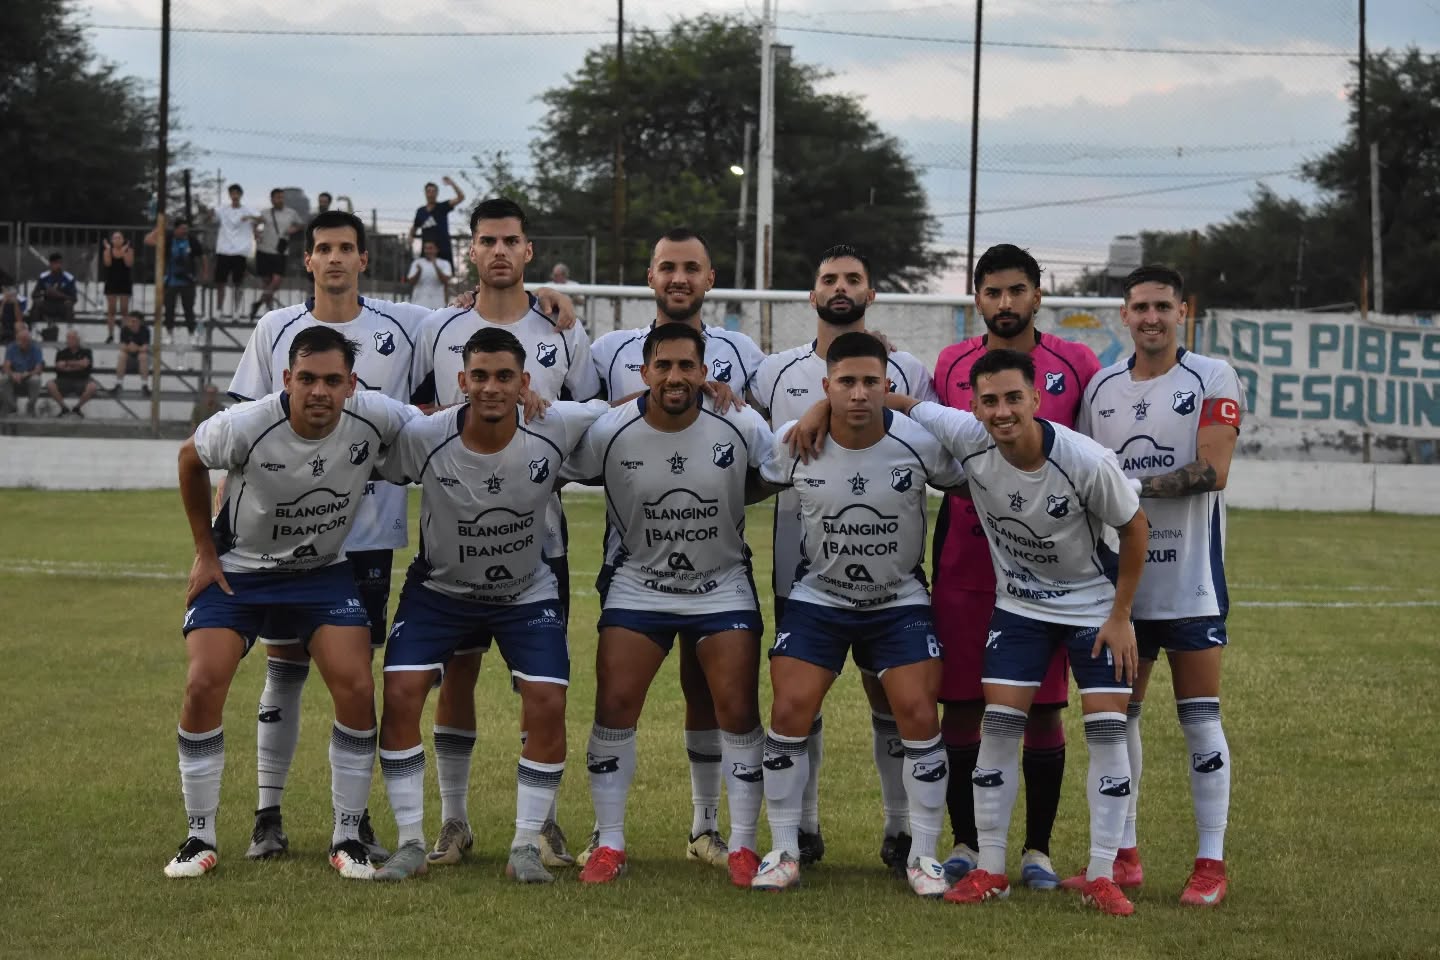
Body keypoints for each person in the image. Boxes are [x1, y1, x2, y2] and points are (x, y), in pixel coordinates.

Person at [791, 348, 1147, 914]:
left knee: (1105, 731)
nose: (1001, 412)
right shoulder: (964, 432)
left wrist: (1122, 615)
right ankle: (990, 869)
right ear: (973, 406)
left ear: (1035, 399)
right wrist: (816, 409)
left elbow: (1134, 527)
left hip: (1092, 609)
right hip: (1021, 608)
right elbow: (891, 399)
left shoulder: (1085, 460)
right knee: (999, 730)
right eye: (989, 401)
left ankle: (1103, 872)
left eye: (1013, 398)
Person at [166, 324, 421, 880]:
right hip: (240, 574)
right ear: (286, 379)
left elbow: (441, 428)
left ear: (352, 384)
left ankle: (347, 835)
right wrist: (205, 550)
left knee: (356, 684)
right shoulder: (247, 424)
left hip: (321, 575)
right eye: (307, 379)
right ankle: (199, 836)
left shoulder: (376, 416)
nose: (320, 392)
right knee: (202, 682)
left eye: (333, 380)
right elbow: (189, 457)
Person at [228, 209, 436, 865]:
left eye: (347, 248)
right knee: (284, 666)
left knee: (354, 679)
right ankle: (268, 813)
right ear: (308, 260)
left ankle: (354, 816)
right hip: (281, 537)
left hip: (368, 533)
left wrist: (551, 298)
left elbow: (476, 321)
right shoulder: (274, 329)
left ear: (364, 259)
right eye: (324, 249)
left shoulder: (406, 326)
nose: (336, 258)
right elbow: (240, 428)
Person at [370, 328, 610, 883]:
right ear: (462, 381)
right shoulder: (424, 435)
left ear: (525, 383)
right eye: (480, 376)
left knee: (547, 702)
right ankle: (411, 841)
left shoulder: (555, 425)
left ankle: (526, 845)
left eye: (505, 377)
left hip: (525, 592)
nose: (492, 387)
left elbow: (618, 411)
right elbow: (365, 444)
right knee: (402, 692)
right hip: (439, 592)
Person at [411, 197, 598, 871]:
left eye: (509, 241)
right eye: (486, 239)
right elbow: (415, 414)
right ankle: (454, 822)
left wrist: (545, 412)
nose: (497, 251)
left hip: (539, 539)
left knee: (538, 682)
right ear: (471, 251)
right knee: (455, 673)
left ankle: (542, 824)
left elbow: (588, 415)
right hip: (453, 539)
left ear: (526, 250)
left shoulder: (560, 331)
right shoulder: (438, 327)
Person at [559, 322, 776, 887]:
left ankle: (743, 845)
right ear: (644, 371)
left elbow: (780, 467)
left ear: (705, 373)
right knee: (616, 702)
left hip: (721, 581)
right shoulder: (613, 429)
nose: (676, 377)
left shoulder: (739, 422)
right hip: (640, 583)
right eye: (664, 366)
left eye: (687, 366)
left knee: (736, 708)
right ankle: (609, 843)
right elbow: (562, 459)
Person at [751, 331, 964, 896]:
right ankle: (783, 849)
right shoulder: (794, 442)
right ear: (826, 387)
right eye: (846, 382)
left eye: (872, 381)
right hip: (820, 597)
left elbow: (977, 468)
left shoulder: (921, 442)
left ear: (888, 385)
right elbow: (744, 478)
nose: (859, 393)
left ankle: (922, 854)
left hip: (898, 601)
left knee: (918, 711)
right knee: (791, 707)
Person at [928, 243, 1101, 889]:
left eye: (1017, 290)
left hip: (1053, 571)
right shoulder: (950, 363)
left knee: (1044, 709)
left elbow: (1091, 463)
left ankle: (1038, 851)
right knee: (965, 704)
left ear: (1038, 294)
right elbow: (927, 440)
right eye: (993, 292)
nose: (1005, 303)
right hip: (967, 558)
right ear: (977, 298)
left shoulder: (1076, 363)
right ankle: (969, 845)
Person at [1072, 265, 1239, 906]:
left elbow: (1213, 470)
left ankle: (1210, 863)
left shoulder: (1211, 376)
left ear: (1182, 311)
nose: (1151, 317)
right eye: (1140, 306)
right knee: (1121, 720)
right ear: (1124, 314)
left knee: (1200, 720)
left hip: (1191, 582)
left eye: (1162, 306)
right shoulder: (1102, 388)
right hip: (1125, 589)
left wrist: (1128, 487)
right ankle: (1124, 855)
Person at [146, 218, 207, 338]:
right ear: (176, 229)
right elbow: (148, 240)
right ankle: (169, 333)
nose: (185, 231)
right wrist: (160, 227)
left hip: (188, 280)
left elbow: (202, 256)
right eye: (182, 229)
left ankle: (192, 333)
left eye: (186, 229)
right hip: (170, 280)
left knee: (188, 308)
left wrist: (205, 272)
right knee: (169, 308)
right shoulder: (168, 238)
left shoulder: (191, 240)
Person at [252, 188, 305, 319]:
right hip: (264, 249)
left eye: (281, 197)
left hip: (280, 251)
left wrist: (292, 230)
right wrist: (256, 233)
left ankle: (258, 303)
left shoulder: (291, 213)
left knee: (276, 280)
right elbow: (255, 223)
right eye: (277, 197)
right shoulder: (265, 213)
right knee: (266, 281)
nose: (280, 200)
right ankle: (269, 311)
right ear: (271, 199)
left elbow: (301, 225)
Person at [213, 184, 259, 320]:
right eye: (232, 193)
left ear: (240, 195)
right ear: (229, 195)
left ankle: (236, 311)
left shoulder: (247, 210)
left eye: (237, 193)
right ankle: (219, 309)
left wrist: (251, 219)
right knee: (220, 283)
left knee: (238, 283)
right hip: (224, 250)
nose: (234, 196)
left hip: (240, 252)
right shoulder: (222, 210)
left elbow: (261, 219)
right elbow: (211, 216)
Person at [411, 176, 465, 267]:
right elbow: (415, 226)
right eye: (429, 191)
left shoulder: (442, 207)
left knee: (446, 276)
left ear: (437, 193)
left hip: (443, 248)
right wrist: (410, 236)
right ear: (425, 193)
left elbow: (461, 197)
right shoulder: (420, 211)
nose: (431, 194)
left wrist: (452, 183)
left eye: (433, 191)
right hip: (428, 250)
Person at [46, 329, 98, 417]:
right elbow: (59, 367)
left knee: (93, 387)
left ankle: (77, 408)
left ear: (78, 340)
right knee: (50, 385)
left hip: (82, 380)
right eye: (68, 338)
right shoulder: (61, 353)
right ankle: (64, 408)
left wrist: (67, 364)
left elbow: (86, 365)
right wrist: (78, 365)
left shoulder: (87, 352)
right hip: (63, 380)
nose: (69, 340)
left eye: (72, 338)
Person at [1, 322, 45, 416]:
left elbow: (39, 369)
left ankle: (30, 406)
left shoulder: (35, 348)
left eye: (26, 340)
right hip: (15, 376)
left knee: (36, 380)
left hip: (29, 375)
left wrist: (28, 374)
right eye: (22, 340)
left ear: (29, 340)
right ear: (17, 340)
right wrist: (13, 374)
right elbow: (6, 366)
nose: (24, 343)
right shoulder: (11, 347)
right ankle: (12, 408)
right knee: (3, 379)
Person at [30, 253, 77, 337]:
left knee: (69, 305)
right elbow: (34, 294)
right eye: (55, 263)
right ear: (50, 264)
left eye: (59, 263)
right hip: (48, 304)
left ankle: (70, 333)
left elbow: (74, 298)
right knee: (36, 304)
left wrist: (60, 295)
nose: (57, 265)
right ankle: (33, 331)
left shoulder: (69, 278)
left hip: (62, 305)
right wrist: (45, 293)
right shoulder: (44, 276)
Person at [102, 232, 135, 342]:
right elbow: (108, 263)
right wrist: (110, 249)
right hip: (112, 282)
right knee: (111, 310)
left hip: (124, 282)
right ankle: (110, 334)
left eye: (119, 238)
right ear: (112, 240)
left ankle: (125, 335)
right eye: (115, 238)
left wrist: (123, 251)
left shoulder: (129, 250)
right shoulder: (107, 251)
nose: (117, 240)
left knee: (124, 310)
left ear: (123, 239)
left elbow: (128, 263)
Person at [404, 240, 453, 310]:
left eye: (430, 248)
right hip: (418, 305)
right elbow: (411, 282)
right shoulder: (417, 262)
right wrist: (418, 272)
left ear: (437, 250)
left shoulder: (445, 263)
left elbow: (445, 281)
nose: (428, 251)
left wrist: (435, 265)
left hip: (437, 306)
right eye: (426, 248)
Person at [112, 311, 152, 395]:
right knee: (122, 355)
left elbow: (145, 348)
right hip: (129, 358)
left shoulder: (145, 330)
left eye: (134, 321)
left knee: (143, 356)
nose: (131, 323)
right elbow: (122, 347)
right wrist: (132, 348)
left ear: (140, 322)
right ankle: (119, 384)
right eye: (130, 321)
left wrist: (135, 347)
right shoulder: (125, 329)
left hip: (141, 360)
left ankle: (144, 385)